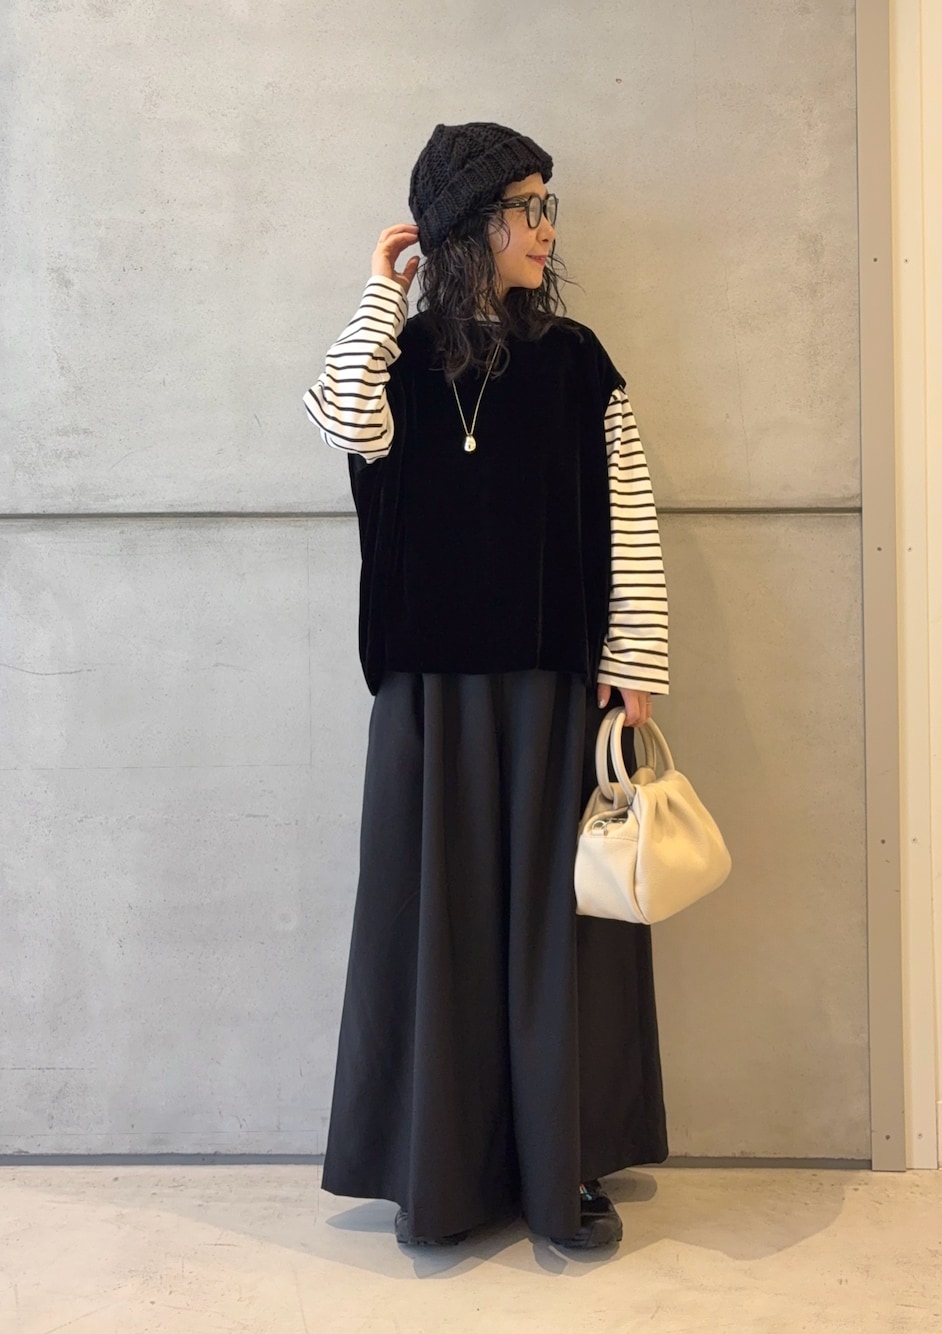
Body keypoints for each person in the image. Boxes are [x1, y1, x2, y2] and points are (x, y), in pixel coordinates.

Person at [303, 121, 670, 1251]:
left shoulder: (575, 360)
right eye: (526, 207)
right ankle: (439, 1172)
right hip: (427, 699)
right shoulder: (399, 363)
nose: (547, 228)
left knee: (560, 929)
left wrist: (634, 659)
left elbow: (629, 508)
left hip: (556, 690)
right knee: (436, 931)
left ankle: (565, 1166)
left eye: (548, 205)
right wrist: (383, 291)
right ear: (469, 225)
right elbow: (335, 413)